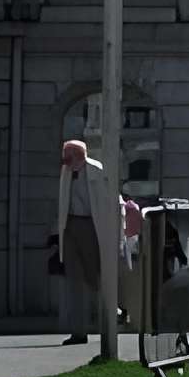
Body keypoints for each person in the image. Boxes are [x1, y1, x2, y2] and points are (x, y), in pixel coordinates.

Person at [55, 135, 120, 347]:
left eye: (68, 156)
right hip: (70, 226)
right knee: (74, 278)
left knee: (96, 277)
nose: (64, 161)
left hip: (92, 226)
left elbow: (112, 201)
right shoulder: (66, 172)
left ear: (78, 156)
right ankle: (78, 331)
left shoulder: (97, 170)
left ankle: (108, 323)